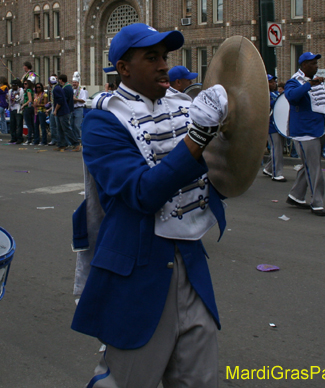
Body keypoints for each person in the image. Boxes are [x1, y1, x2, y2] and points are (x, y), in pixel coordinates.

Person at [72, 23, 228, 387]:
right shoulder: (102, 121)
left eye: (165, 57)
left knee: (199, 380)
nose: (163, 66)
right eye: (151, 57)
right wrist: (199, 137)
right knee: (126, 381)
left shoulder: (185, 105)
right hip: (137, 269)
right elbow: (142, 192)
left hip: (191, 263)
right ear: (123, 68)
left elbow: (224, 172)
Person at [284, 52, 325, 216]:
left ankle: (296, 196)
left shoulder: (315, 81)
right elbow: (291, 97)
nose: (316, 66)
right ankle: (317, 203)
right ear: (303, 66)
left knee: (310, 164)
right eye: (313, 64)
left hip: (319, 128)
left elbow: (320, 103)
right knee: (314, 167)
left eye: (317, 63)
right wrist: (309, 84)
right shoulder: (294, 82)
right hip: (304, 132)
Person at [263, 74, 286, 182]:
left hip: (278, 124)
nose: (273, 84)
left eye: (274, 82)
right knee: (276, 149)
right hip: (271, 125)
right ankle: (277, 173)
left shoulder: (276, 93)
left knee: (278, 149)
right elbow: (266, 105)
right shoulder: (263, 94)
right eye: (270, 82)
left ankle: (268, 169)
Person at [71, 73, 88, 143]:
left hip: (78, 108)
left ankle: (79, 138)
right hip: (72, 108)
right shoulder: (72, 90)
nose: (74, 84)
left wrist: (76, 99)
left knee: (77, 125)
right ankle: (74, 139)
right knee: (72, 125)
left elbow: (83, 100)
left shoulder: (81, 91)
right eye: (73, 82)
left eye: (75, 82)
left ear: (78, 83)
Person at [21, 80, 35, 145]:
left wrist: (24, 105)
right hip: (31, 108)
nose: (24, 85)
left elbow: (30, 100)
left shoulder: (28, 90)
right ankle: (33, 137)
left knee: (29, 124)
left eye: (26, 84)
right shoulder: (31, 90)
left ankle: (29, 139)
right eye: (24, 84)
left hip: (28, 108)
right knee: (32, 124)